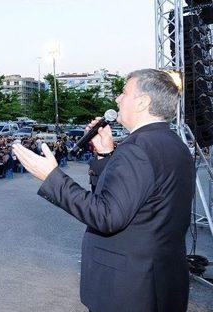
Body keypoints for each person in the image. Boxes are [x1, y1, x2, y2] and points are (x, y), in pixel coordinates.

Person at [13, 69, 194, 312]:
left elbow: (107, 216)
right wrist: (106, 154)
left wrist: (51, 177)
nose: (118, 99)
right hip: (160, 281)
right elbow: (137, 202)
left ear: (142, 102)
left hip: (129, 289)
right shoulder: (174, 145)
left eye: (124, 92)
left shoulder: (137, 148)